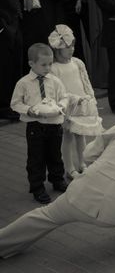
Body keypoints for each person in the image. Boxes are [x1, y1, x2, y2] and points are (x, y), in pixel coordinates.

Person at [0, 99, 115, 259]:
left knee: (44, 215)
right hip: (114, 211)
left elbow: (89, 155)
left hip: (78, 193)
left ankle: (3, 242)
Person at [10, 43, 68, 204]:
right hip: (35, 126)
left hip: (54, 124)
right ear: (31, 64)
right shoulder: (23, 83)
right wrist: (29, 110)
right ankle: (37, 187)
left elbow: (64, 97)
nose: (48, 67)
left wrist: (61, 106)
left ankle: (57, 180)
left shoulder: (55, 81)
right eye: (43, 64)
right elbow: (15, 104)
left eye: (50, 64)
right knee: (36, 158)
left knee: (55, 155)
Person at [48, 25, 103, 180]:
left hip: (82, 104)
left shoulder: (77, 63)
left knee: (81, 135)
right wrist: (73, 99)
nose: (71, 49)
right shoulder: (54, 68)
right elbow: (59, 90)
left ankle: (82, 163)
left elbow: (85, 81)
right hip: (68, 106)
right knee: (68, 136)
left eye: (72, 46)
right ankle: (69, 167)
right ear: (58, 48)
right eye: (67, 47)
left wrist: (90, 96)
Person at [0, 0, 23, 121]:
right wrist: (3, 29)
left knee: (13, 69)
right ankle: (3, 107)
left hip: (13, 30)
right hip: (4, 33)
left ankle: (10, 105)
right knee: (4, 71)